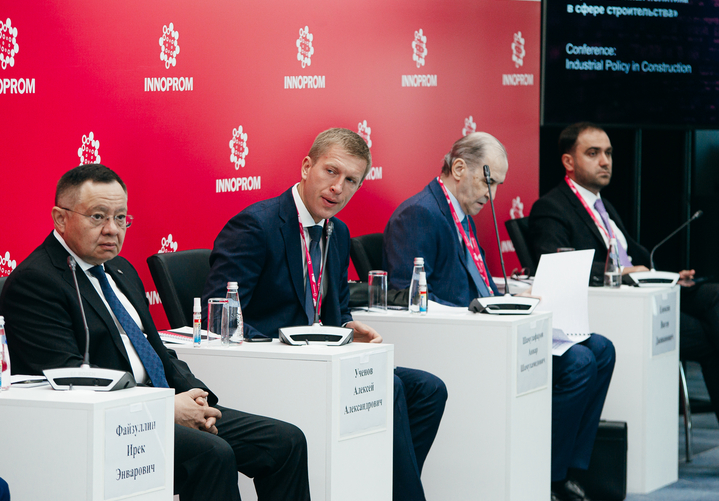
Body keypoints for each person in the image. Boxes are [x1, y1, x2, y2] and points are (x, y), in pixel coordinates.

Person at [0, 164, 311, 501]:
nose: (112, 230)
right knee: (212, 454)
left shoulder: (119, 268)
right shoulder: (36, 283)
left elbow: (156, 350)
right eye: (98, 217)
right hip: (110, 423)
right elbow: (71, 381)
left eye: (121, 218)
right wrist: (165, 409)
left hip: (161, 404)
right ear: (60, 218)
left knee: (285, 441)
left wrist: (195, 397)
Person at [527, 121, 719, 475]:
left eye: (608, 153)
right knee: (717, 339)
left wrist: (667, 275)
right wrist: (625, 273)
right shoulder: (551, 207)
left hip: (645, 294)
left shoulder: (602, 205)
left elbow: (633, 253)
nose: (605, 161)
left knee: (718, 295)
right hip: (613, 308)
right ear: (568, 161)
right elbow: (554, 263)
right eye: (593, 153)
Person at [201, 128, 447, 501]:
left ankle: (378, 485)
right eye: (331, 171)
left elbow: (334, 310)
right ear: (307, 167)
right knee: (390, 386)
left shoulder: (338, 232)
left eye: (351, 180)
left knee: (428, 389)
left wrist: (346, 327)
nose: (338, 188)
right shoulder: (256, 225)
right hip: (275, 363)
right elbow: (219, 316)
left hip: (324, 359)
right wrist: (289, 342)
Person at [384, 131, 615, 501]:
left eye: (497, 185)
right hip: (464, 341)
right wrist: (477, 310)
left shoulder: (460, 213)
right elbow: (407, 298)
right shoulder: (420, 215)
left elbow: (471, 280)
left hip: (490, 329)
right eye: (488, 181)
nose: (491, 195)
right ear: (459, 168)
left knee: (601, 349)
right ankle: (550, 479)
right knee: (579, 362)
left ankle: (568, 469)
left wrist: (509, 295)